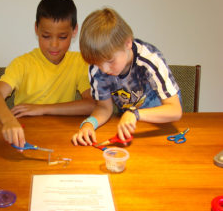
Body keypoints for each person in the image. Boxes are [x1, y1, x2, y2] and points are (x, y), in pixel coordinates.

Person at [0, 0, 94, 149]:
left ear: (74, 30)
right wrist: (9, 120)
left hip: (63, 138)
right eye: (46, 36)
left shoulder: (79, 62)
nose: (54, 45)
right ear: (36, 29)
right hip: (23, 137)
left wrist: (42, 109)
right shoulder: (22, 63)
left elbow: (92, 105)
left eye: (62, 37)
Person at [72, 8, 182, 146]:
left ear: (128, 43)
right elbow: (104, 108)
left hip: (163, 127)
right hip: (131, 129)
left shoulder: (150, 60)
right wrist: (88, 124)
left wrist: (134, 114)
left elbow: (175, 111)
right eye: (98, 64)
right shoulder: (96, 69)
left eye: (110, 61)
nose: (104, 69)